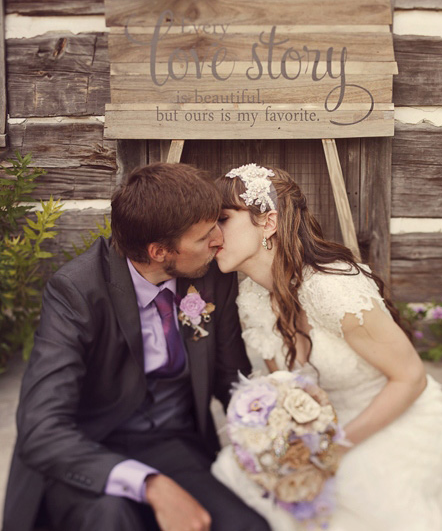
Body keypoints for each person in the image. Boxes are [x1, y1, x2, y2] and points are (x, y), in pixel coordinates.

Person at [3, 162, 271, 531]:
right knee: (113, 521)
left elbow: (230, 379)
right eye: (204, 235)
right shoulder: (77, 292)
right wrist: (151, 485)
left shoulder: (210, 276)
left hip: (174, 445)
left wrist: (272, 435)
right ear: (159, 251)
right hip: (90, 448)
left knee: (246, 527)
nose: (219, 240)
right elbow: (40, 427)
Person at [211, 163, 442, 531]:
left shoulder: (332, 288)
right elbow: (288, 392)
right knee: (235, 474)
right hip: (327, 430)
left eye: (223, 218)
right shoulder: (251, 295)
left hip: (398, 417)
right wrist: (289, 444)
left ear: (267, 222)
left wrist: (334, 450)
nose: (212, 233)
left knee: (352, 501)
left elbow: (411, 379)